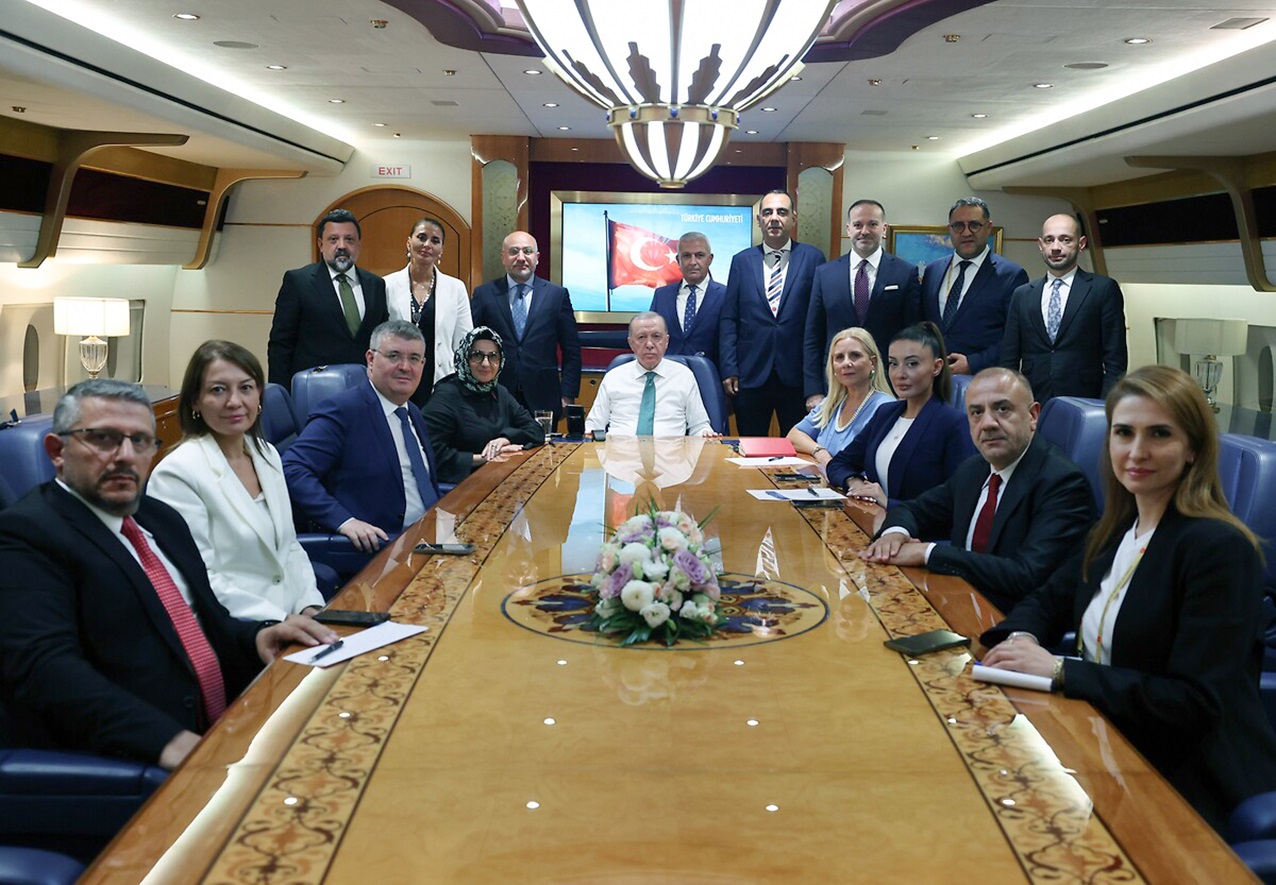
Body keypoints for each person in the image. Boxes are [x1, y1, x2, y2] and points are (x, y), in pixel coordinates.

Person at [980, 365, 1276, 830]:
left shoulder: (1220, 548)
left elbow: (1192, 704)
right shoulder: (1115, 529)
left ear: (1193, 448)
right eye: (1124, 433)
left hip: (1186, 776)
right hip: (1102, 738)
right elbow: (1047, 599)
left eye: (1159, 434)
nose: (1137, 451)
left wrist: (1059, 670)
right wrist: (1021, 640)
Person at [0, 379, 336, 768]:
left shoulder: (160, 518)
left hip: (230, 724)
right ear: (57, 451)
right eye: (104, 439)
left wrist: (258, 636)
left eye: (141, 441)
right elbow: (46, 670)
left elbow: (206, 620)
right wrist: (174, 743)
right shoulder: (26, 535)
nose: (125, 456)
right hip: (136, 761)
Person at [861, 368, 1095, 612]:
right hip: (959, 603)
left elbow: (1025, 575)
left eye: (1002, 409)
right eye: (976, 413)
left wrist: (928, 552)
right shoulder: (974, 469)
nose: (988, 423)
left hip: (1012, 621)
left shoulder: (1063, 483)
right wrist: (894, 534)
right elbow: (915, 510)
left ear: (1033, 416)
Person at [148, 341, 327, 622]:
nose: (234, 401)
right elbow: (198, 576)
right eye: (218, 390)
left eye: (245, 388)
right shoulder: (176, 473)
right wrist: (279, 620)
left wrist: (310, 605)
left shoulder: (266, 454)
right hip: (235, 627)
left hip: (294, 619)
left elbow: (289, 546)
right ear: (195, 400)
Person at [283, 320, 441, 554]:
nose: (405, 367)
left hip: (429, 538)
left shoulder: (412, 412)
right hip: (382, 549)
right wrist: (343, 520)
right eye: (394, 356)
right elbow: (292, 469)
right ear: (371, 359)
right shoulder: (343, 411)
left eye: (414, 358)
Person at [826, 322, 975, 507]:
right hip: (872, 518)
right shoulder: (886, 414)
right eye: (893, 364)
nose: (900, 374)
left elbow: (957, 502)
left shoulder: (953, 423)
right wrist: (855, 482)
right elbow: (839, 463)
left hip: (915, 525)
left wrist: (888, 503)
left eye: (912, 364)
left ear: (936, 367)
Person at [719, 190, 826, 436]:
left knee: (798, 447)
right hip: (751, 375)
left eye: (782, 212)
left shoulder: (813, 258)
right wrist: (729, 368)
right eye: (767, 212)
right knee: (751, 447)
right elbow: (729, 319)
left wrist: (816, 381)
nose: (774, 218)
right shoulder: (741, 261)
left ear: (793, 218)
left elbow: (820, 321)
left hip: (798, 376)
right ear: (759, 220)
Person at [803, 200, 921, 406]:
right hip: (835, 385)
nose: (864, 231)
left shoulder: (905, 273)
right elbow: (813, 336)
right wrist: (814, 391)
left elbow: (913, 336)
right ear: (848, 229)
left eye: (872, 224)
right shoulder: (825, 274)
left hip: (888, 385)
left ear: (884, 229)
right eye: (858, 225)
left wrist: (908, 385)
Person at [1000, 213, 1128, 400]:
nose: (1055, 247)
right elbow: (1008, 359)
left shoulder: (1103, 289)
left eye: (1065, 240)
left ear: (1081, 243)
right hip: (1033, 401)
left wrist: (1104, 406)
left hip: (1086, 400)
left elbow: (1116, 360)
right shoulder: (1023, 295)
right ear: (1040, 245)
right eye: (1049, 240)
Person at [266, 208, 389, 388]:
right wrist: (281, 396)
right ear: (320, 244)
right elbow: (281, 345)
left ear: (359, 244)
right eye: (333, 239)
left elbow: (382, 341)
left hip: (365, 389)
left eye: (349, 239)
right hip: (314, 390)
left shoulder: (375, 285)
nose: (342, 246)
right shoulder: (298, 282)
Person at [469, 231, 581, 423]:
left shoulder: (556, 295)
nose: (521, 258)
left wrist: (567, 394)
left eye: (527, 251)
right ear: (503, 257)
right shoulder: (484, 295)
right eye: (514, 251)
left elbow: (571, 349)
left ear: (537, 257)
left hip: (543, 398)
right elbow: (470, 345)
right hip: (494, 396)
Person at [920, 197, 1028, 376]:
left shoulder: (1011, 276)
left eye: (974, 225)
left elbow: (1016, 337)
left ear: (988, 227)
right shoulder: (933, 271)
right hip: (933, 378)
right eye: (958, 226)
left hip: (983, 379)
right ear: (949, 229)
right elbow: (922, 325)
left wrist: (973, 363)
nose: (966, 233)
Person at [422, 326, 545, 484]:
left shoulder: (499, 392)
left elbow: (536, 430)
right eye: (477, 355)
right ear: (464, 357)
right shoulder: (445, 396)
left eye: (493, 356)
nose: (486, 363)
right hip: (460, 487)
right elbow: (432, 454)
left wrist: (505, 439)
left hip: (498, 481)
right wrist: (484, 458)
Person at [385, 216, 474, 407]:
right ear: (409, 242)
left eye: (435, 241)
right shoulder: (386, 285)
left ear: (441, 250)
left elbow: (464, 344)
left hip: (441, 382)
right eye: (421, 237)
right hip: (397, 376)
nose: (427, 245)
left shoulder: (456, 288)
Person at [586, 312, 717, 437]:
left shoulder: (684, 376)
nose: (649, 344)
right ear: (631, 343)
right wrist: (589, 434)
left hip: (671, 451)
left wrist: (706, 433)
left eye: (656, 337)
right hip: (619, 449)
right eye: (641, 337)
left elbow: (699, 426)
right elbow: (594, 424)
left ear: (666, 341)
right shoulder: (614, 377)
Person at [787, 326, 893, 469]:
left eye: (855, 355)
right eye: (839, 357)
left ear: (872, 363)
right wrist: (820, 452)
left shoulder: (885, 407)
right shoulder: (831, 403)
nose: (846, 363)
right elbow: (793, 436)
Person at [649, 232, 726, 369]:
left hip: (710, 375)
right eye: (686, 256)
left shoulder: (725, 295)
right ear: (678, 260)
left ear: (710, 259)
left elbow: (731, 341)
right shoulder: (661, 295)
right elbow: (652, 337)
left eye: (699, 255)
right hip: (668, 375)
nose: (693, 262)